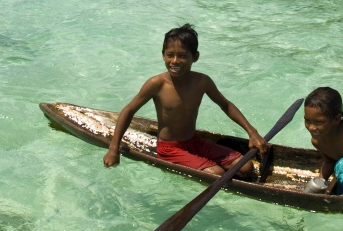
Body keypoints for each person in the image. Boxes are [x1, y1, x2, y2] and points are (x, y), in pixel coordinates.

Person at [103, 23, 267, 178]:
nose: (174, 61)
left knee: (246, 167)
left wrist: (252, 132)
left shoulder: (202, 81)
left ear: (195, 57)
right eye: (170, 55)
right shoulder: (156, 84)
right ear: (163, 56)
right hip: (169, 148)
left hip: (194, 142)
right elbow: (129, 110)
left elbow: (226, 105)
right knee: (216, 173)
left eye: (182, 56)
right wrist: (113, 148)